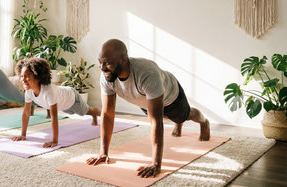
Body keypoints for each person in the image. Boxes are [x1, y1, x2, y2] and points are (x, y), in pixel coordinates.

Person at [86, 39, 210, 178]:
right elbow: (107, 114)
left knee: (184, 116)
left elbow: (156, 121)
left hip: (170, 95)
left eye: (107, 63)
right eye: (100, 62)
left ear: (123, 59)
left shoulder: (147, 72)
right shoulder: (107, 76)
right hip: (144, 99)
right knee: (163, 116)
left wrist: (156, 163)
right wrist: (103, 152)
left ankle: (204, 122)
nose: (102, 67)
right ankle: (177, 123)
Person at [12, 57, 101, 148]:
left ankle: (103, 113)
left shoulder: (48, 91)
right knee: (81, 111)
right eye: (22, 76)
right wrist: (23, 135)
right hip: (63, 105)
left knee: (85, 111)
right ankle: (93, 114)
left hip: (72, 98)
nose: (23, 79)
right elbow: (26, 113)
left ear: (37, 76)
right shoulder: (29, 92)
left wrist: (54, 141)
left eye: (27, 76)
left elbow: (54, 117)